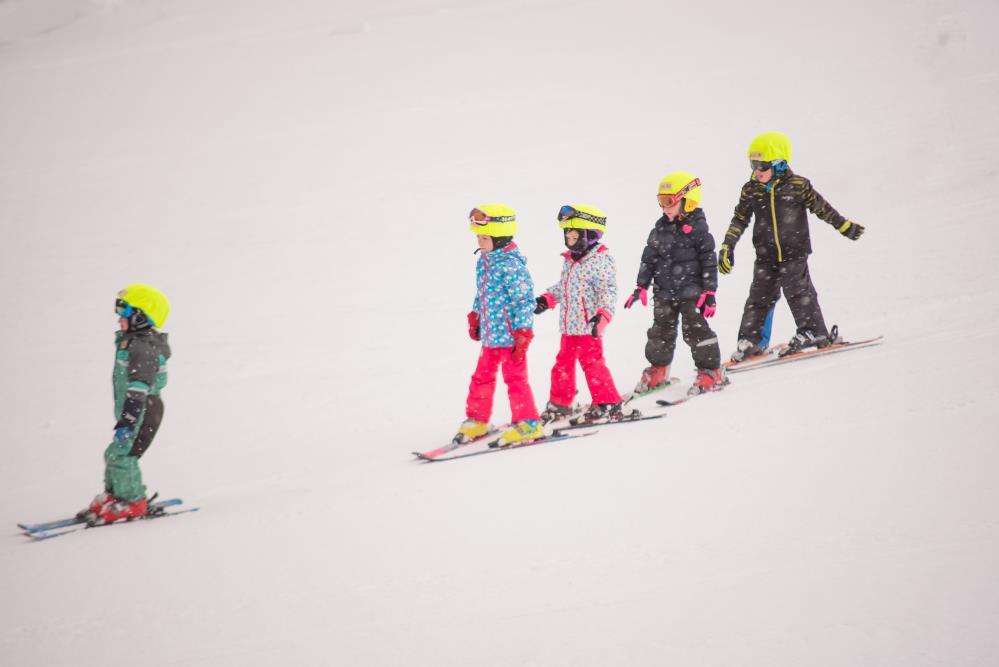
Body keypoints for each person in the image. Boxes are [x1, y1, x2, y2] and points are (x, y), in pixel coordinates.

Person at [718, 131, 865, 360]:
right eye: (753, 165)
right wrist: (728, 245)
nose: (757, 171)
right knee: (759, 297)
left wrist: (844, 226)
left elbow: (822, 209)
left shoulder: (797, 186)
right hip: (765, 255)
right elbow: (739, 219)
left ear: (779, 164)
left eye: (762, 166)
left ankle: (813, 332)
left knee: (798, 292)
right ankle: (752, 340)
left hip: (794, 253)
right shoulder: (751, 189)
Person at [624, 172, 727, 396]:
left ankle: (711, 370)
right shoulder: (659, 229)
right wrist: (641, 286)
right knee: (660, 332)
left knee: (696, 331)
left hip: (692, 292)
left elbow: (709, 262)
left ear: (687, 200)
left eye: (669, 202)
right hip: (664, 292)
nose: (665, 208)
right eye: (661, 202)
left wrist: (710, 291)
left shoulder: (699, 230)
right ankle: (659, 369)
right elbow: (648, 259)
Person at [78, 284, 172, 525]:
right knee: (114, 453)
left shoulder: (142, 347)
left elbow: (139, 387)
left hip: (142, 412)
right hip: (134, 412)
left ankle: (133, 501)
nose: (119, 317)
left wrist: (128, 421)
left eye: (125, 311)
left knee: (123, 455)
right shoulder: (131, 342)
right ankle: (115, 495)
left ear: (141, 317)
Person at [534, 204, 631, 424]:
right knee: (562, 366)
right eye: (567, 233)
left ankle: (607, 403)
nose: (569, 238)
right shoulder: (570, 259)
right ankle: (561, 404)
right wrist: (547, 299)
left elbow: (608, 290)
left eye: (574, 234)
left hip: (589, 327)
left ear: (590, 235)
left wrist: (602, 316)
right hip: (569, 327)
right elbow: (565, 286)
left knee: (593, 365)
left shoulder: (599, 260)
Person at [455, 203, 543, 445]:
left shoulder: (511, 265)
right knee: (481, 377)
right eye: (478, 237)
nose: (479, 242)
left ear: (501, 236)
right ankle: (477, 420)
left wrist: (523, 332)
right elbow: (481, 293)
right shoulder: (484, 261)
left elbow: (524, 301)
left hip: (511, 337)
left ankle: (528, 424)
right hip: (491, 336)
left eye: (484, 237)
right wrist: (476, 315)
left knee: (515, 380)